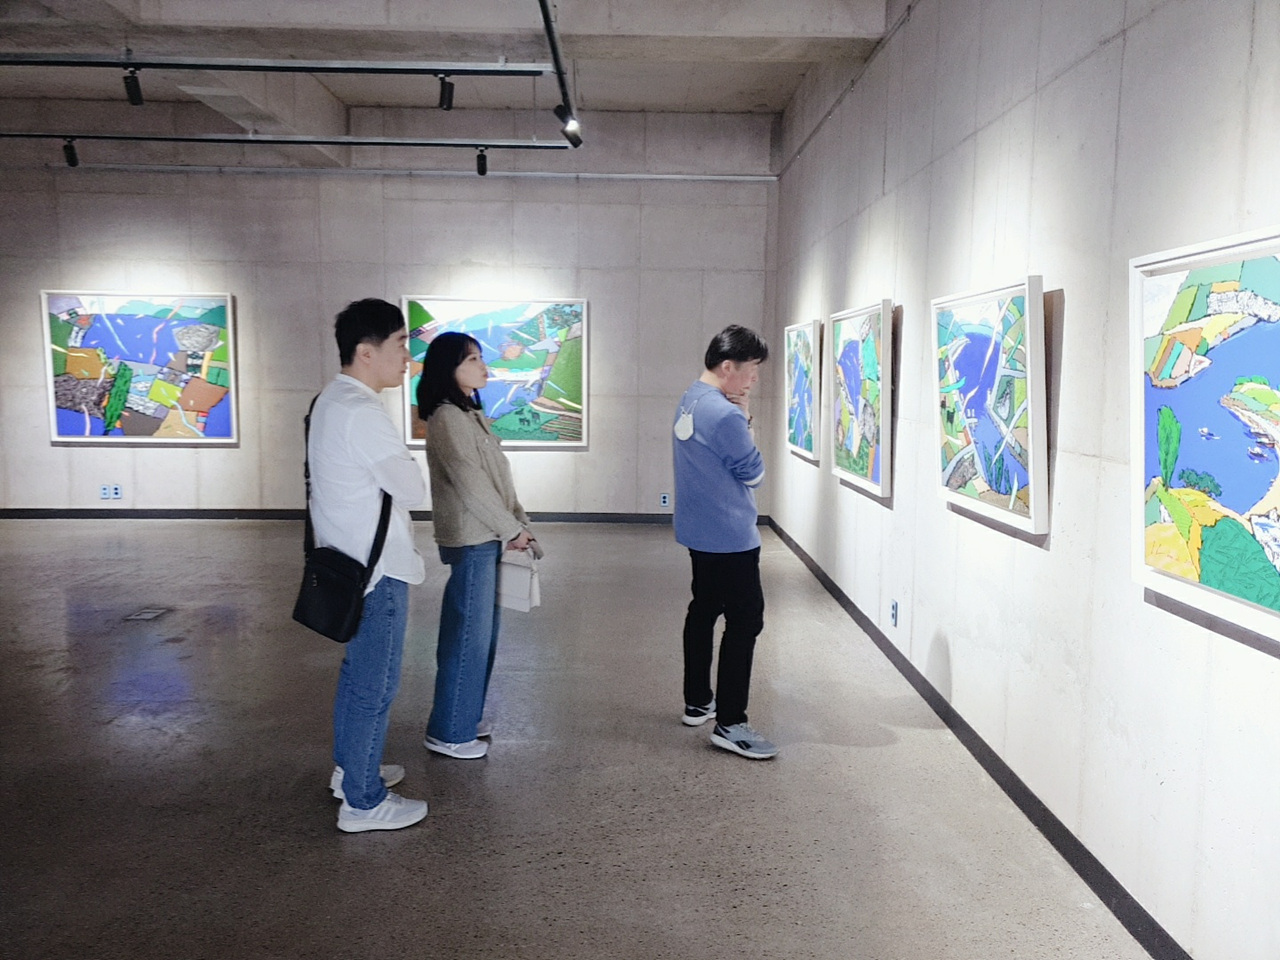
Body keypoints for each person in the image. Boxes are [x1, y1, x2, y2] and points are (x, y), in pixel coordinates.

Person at [311, 298, 429, 832]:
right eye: (400, 344)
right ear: (366, 352)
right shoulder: (362, 412)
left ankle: (350, 771)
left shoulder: (331, 400)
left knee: (358, 675)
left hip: (347, 560)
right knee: (374, 685)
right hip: (377, 569)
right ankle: (362, 802)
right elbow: (411, 488)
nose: (407, 357)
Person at [416, 331, 539, 760]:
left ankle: (464, 716)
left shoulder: (469, 414)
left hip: (487, 535)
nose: (483, 367)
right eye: (471, 359)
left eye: (481, 358)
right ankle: (449, 730)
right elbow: (471, 484)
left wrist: (518, 522)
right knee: (467, 635)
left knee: (482, 635)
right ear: (448, 368)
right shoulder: (448, 417)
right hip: (472, 538)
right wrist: (510, 528)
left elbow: (497, 480)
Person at [672, 324, 778, 760]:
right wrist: (745, 418)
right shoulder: (725, 415)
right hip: (731, 536)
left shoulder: (692, 398)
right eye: (751, 369)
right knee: (745, 621)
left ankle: (698, 701)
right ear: (728, 366)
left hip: (700, 531)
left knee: (703, 610)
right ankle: (731, 723)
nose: (754, 378)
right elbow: (754, 473)